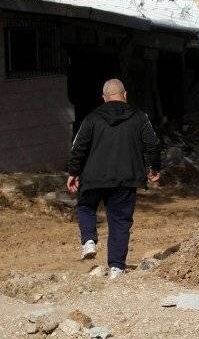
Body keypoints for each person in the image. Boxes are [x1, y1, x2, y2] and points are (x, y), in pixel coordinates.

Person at [66, 79, 161, 279]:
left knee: (86, 207)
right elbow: (152, 144)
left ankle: (89, 240)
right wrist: (154, 168)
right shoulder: (140, 117)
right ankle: (117, 268)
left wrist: (73, 172)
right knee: (120, 221)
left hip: (94, 177)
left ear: (104, 98)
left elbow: (78, 148)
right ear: (125, 95)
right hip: (126, 179)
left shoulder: (92, 118)